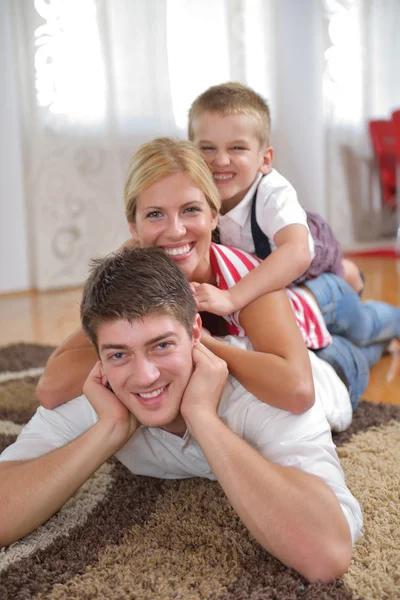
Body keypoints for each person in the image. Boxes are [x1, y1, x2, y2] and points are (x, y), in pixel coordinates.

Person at [0, 247, 363, 583]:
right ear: (98, 357)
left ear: (194, 334)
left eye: (162, 345)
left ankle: (349, 290)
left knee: (365, 333)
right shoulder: (99, 393)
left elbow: (326, 552)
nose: (145, 377)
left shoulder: (261, 398)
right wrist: (108, 429)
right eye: (118, 354)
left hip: (334, 373)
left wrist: (202, 417)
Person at [36, 138, 399, 414]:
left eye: (190, 210)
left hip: (315, 338)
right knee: (373, 344)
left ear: (214, 216)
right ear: (133, 226)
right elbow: (51, 389)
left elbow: (300, 391)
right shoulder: (131, 276)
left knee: (361, 337)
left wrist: (203, 345)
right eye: (155, 215)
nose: (175, 231)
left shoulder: (244, 276)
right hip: (282, 331)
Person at [188, 81, 365, 321]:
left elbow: (298, 252)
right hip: (255, 263)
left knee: (334, 277)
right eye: (207, 148)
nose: (220, 160)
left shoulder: (273, 191)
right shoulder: (191, 186)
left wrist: (232, 297)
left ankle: (350, 275)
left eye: (237, 148)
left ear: (265, 159)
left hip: (307, 251)